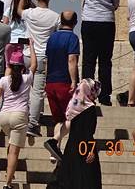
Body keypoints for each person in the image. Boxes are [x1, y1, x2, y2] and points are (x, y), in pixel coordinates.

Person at [69, 0, 120, 106]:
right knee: (105, 60)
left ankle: (86, 94)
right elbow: (116, 4)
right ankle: (104, 95)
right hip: (106, 22)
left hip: (89, 21)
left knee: (88, 60)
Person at [0, 46, 37, 189]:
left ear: (9, 66)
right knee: (14, 151)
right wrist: (31, 46)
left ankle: (9, 172)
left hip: (4, 117)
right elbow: (34, 64)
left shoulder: (3, 80)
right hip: (19, 116)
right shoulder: (27, 78)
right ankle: (7, 183)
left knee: (11, 144)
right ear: (22, 68)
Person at [17, 0, 60, 136]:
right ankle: (33, 124)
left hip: (27, 55)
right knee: (37, 92)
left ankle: (24, 118)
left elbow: (19, 10)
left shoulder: (29, 13)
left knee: (25, 89)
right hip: (42, 57)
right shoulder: (55, 17)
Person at [43, 11, 80, 160]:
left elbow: (46, 60)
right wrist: (74, 81)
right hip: (64, 82)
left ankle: (54, 151)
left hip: (50, 82)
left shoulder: (52, 38)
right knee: (74, 117)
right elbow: (72, 60)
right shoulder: (72, 38)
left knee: (59, 119)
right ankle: (54, 141)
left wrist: (46, 80)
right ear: (75, 22)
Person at [55, 78, 102, 189]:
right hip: (84, 147)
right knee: (86, 180)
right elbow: (89, 132)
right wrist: (91, 150)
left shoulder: (74, 107)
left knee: (69, 178)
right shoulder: (89, 108)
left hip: (71, 147)